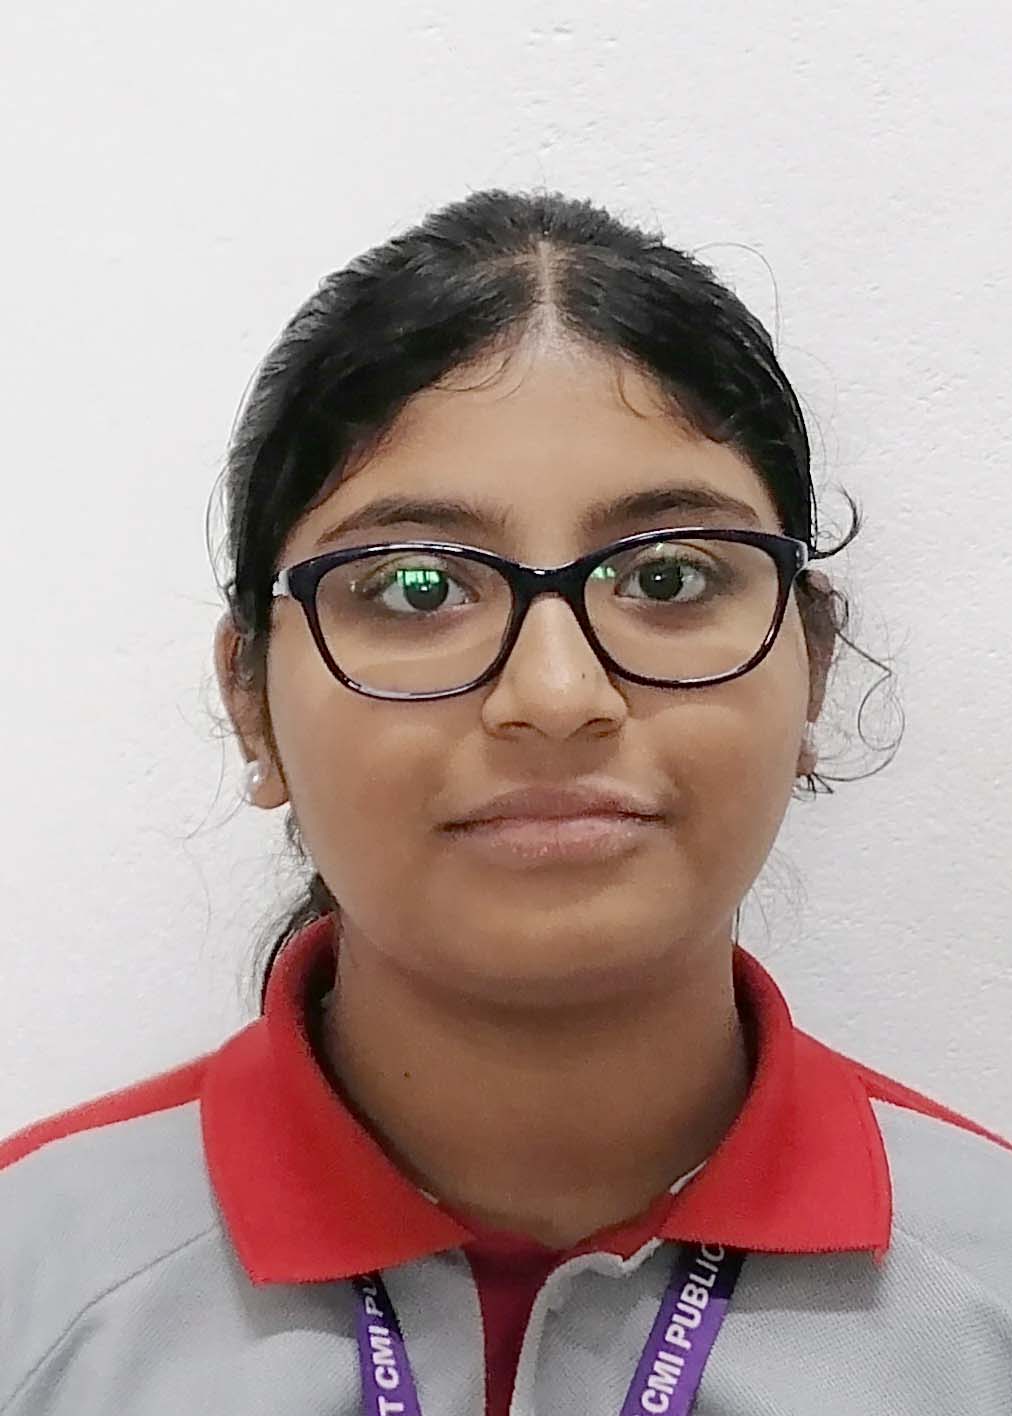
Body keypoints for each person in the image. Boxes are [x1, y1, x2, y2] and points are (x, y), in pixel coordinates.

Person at [1, 189, 1010, 1416]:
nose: (556, 696)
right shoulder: (33, 1287)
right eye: (416, 587)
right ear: (251, 701)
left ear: (813, 668)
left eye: (668, 576)